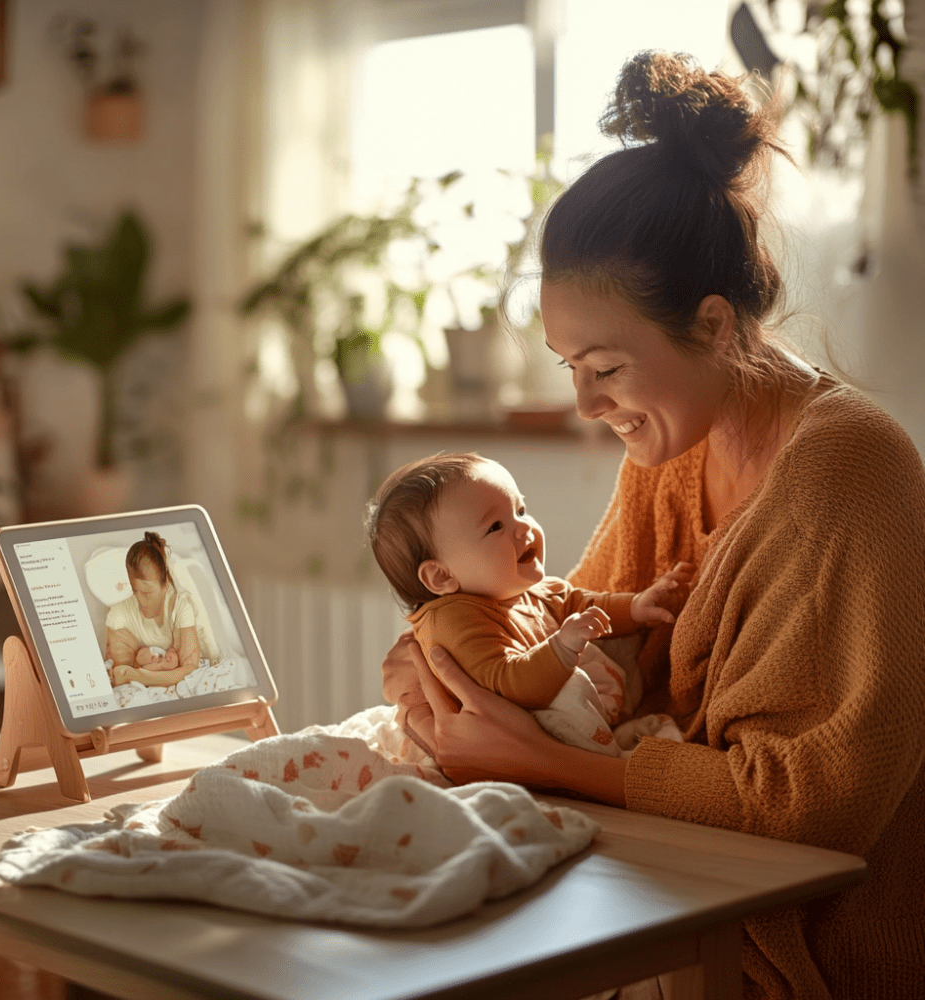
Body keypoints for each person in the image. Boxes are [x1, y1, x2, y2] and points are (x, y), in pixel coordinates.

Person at [381, 50, 925, 1000]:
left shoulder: (851, 469)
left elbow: (805, 805)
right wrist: (446, 664)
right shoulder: (671, 449)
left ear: (713, 326)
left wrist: (534, 754)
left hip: (806, 943)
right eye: (568, 369)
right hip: (669, 883)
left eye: (607, 368)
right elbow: (573, 645)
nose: (588, 405)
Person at [366, 451, 690, 756]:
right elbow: (506, 684)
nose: (525, 528)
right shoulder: (454, 621)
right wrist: (562, 647)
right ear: (440, 576)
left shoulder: (518, 590)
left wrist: (635, 607)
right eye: (496, 526)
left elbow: (579, 602)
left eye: (520, 510)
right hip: (504, 749)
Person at [105, 531, 218, 688]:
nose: (139, 600)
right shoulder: (119, 616)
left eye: (147, 593)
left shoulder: (180, 606)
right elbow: (121, 675)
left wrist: (140, 675)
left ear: (165, 584)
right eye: (134, 591)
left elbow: (190, 669)